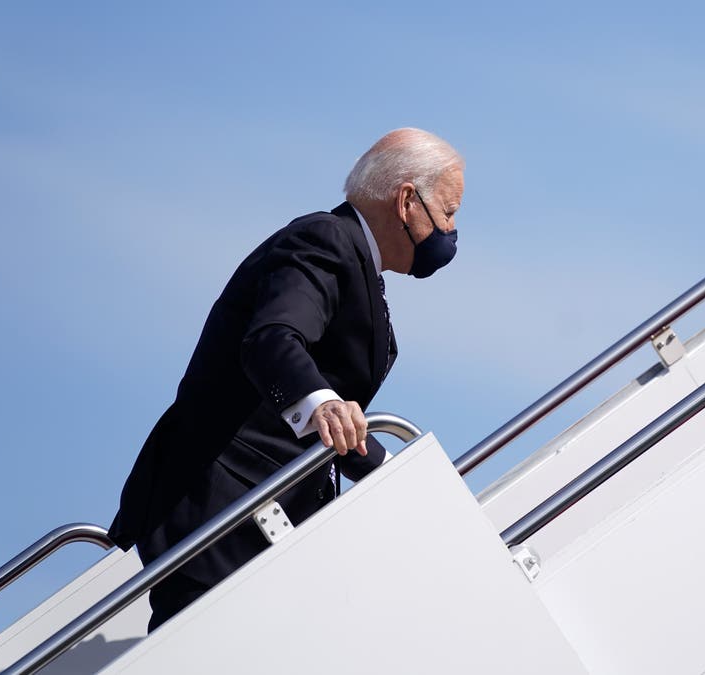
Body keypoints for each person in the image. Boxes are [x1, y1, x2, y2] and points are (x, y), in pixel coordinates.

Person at [107, 128, 465, 631]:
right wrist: (319, 404)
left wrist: (385, 467)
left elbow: (329, 417)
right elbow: (273, 337)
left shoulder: (358, 266)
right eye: (448, 213)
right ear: (407, 201)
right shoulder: (325, 240)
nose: (450, 232)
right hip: (220, 509)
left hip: (262, 516)